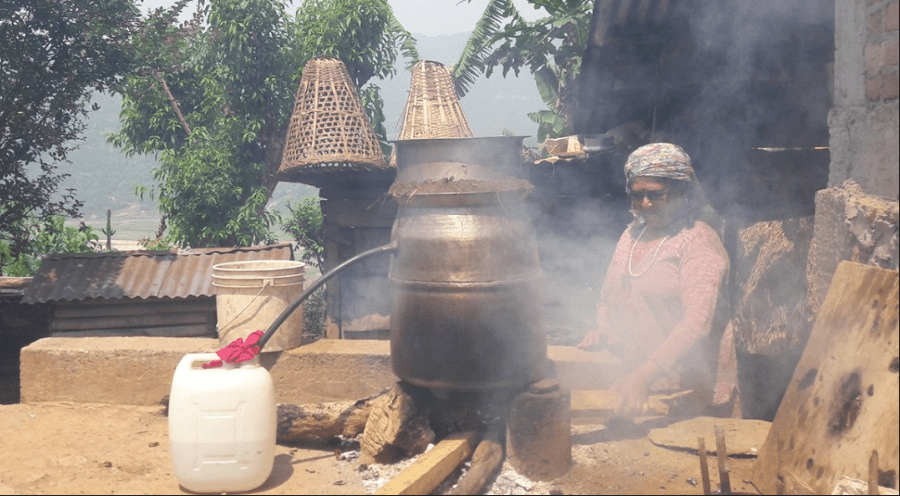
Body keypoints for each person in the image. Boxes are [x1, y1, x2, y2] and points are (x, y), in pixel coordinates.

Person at [578, 142, 738, 418]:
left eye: (656, 195)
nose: (645, 204)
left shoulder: (698, 243)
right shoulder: (631, 236)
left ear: (682, 193)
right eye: (636, 195)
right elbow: (608, 298)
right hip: (638, 383)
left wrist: (645, 375)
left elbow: (696, 324)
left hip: (689, 392)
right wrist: (604, 329)